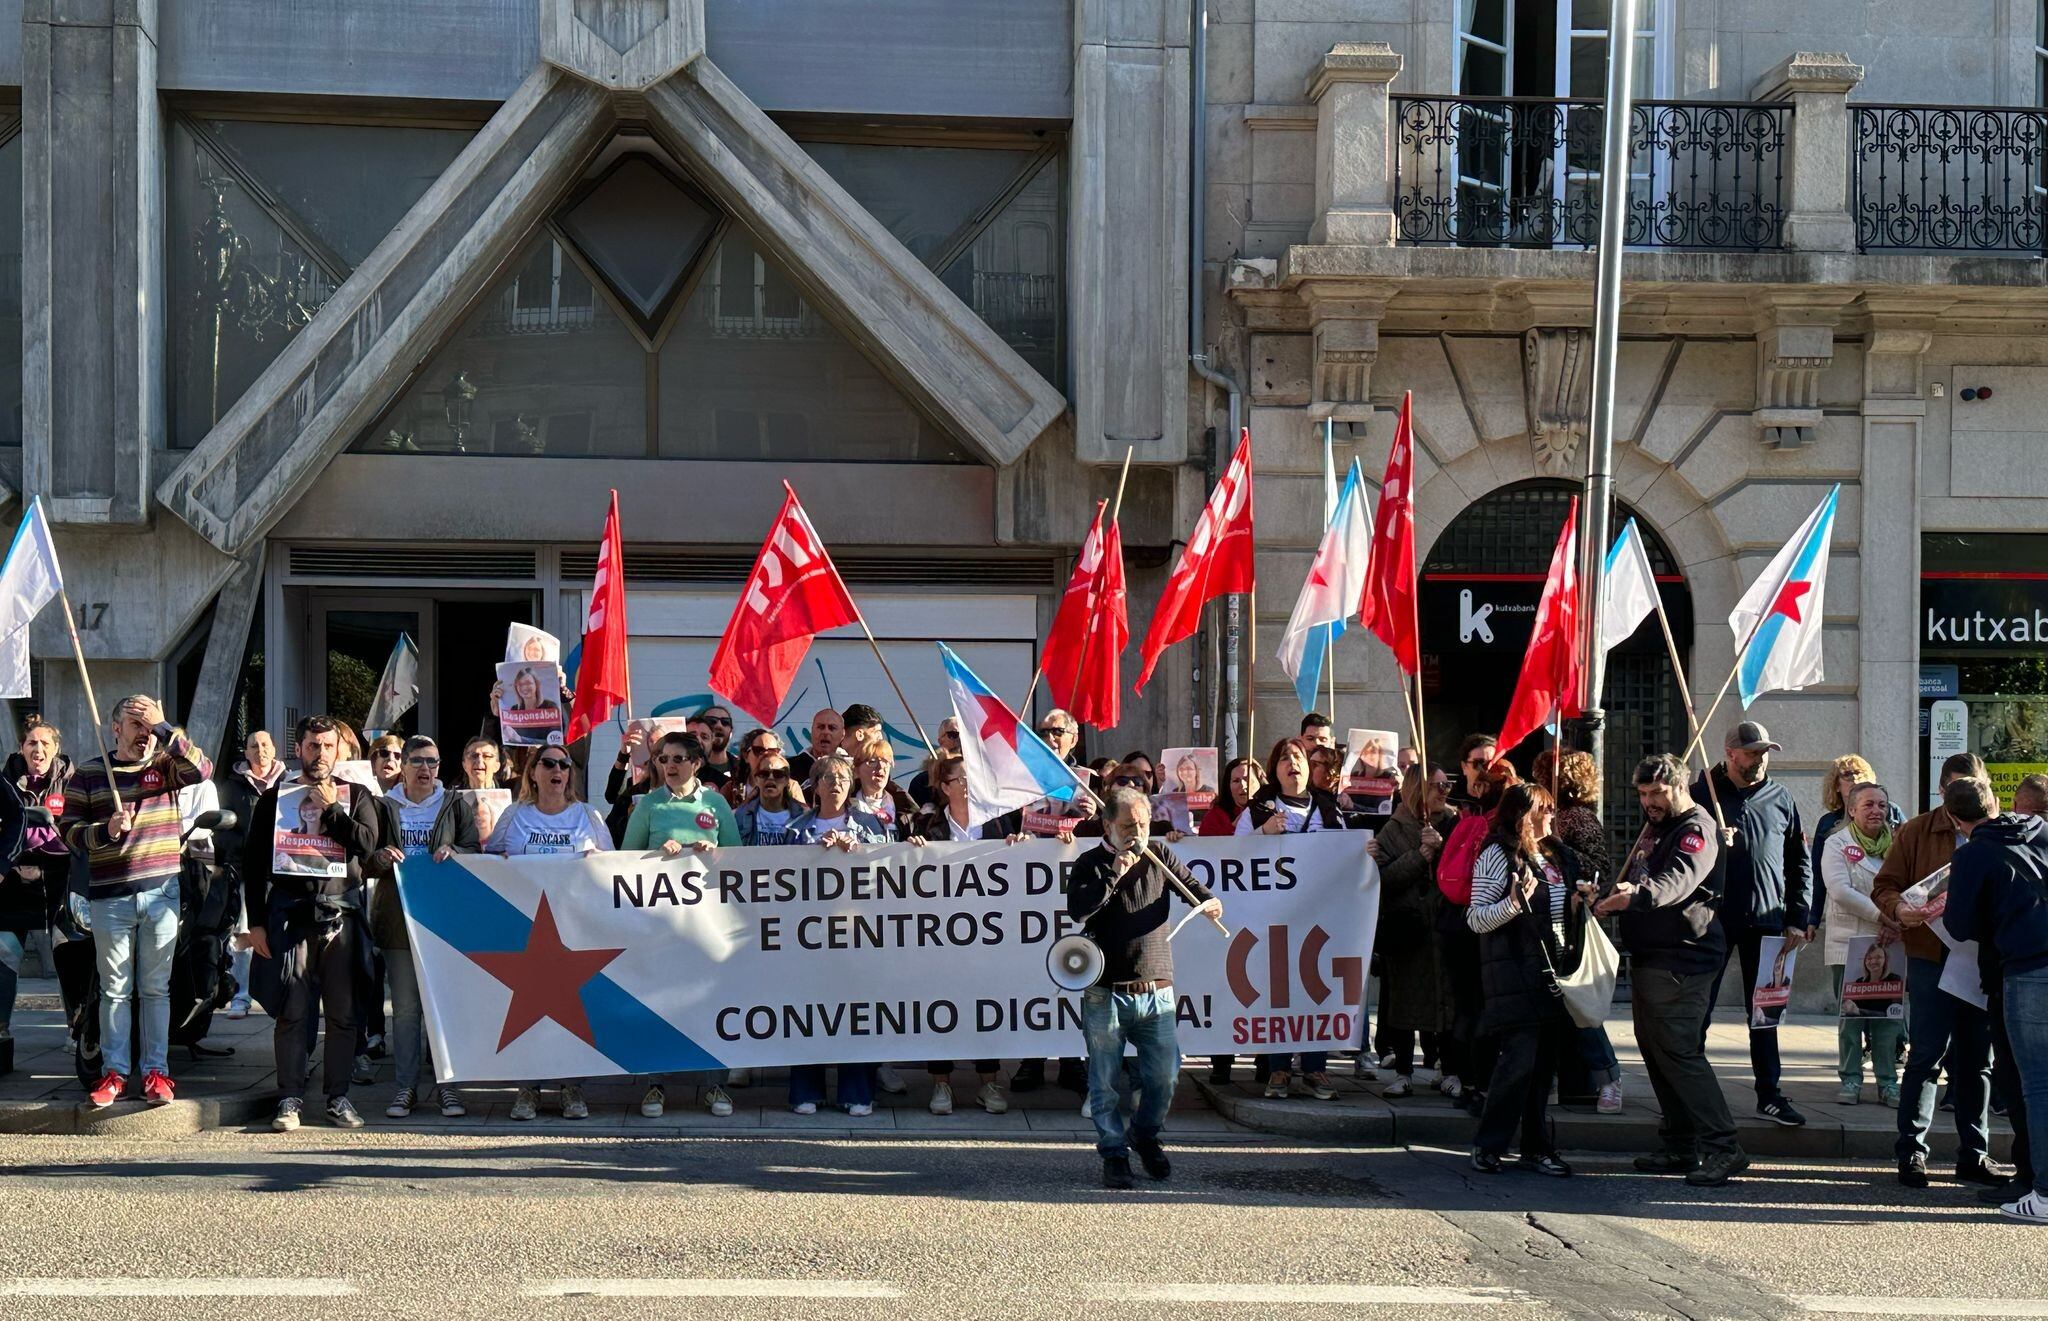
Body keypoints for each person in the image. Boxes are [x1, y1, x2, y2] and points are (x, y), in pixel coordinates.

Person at [1594, 754, 1748, 1186]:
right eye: (1643, 794)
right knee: (1658, 1054)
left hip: (1683, 961)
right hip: (1653, 958)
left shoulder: (1695, 830)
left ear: (1681, 787)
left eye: (1657, 793)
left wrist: (1635, 897)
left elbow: (1675, 882)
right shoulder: (1658, 828)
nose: (1649, 802)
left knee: (1680, 1053)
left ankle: (1723, 1147)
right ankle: (1680, 1144)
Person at [59, 694, 211, 1109]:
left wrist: (165, 727)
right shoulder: (91, 773)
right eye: (135, 725)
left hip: (162, 890)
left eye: (148, 726)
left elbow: (201, 767)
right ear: (115, 728)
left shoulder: (164, 766)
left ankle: (156, 1072)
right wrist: (105, 830)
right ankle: (114, 1072)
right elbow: (67, 830)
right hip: (110, 895)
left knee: (155, 989)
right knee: (115, 990)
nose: (143, 734)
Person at [1068, 785, 1222, 1189]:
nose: (1137, 832)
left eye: (1142, 823)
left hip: (1156, 987)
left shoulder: (1160, 856)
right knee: (1103, 1082)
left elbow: (1191, 887)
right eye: (1128, 825)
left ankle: (1145, 1134)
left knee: (1165, 1075)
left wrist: (1210, 901)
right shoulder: (1090, 863)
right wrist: (1114, 875)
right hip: (1105, 990)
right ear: (1107, 825)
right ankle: (1114, 1153)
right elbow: (1078, 909)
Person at [237, 714, 382, 1130]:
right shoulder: (275, 798)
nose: (320, 754)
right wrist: (258, 923)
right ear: (298, 749)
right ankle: (290, 1098)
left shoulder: (356, 795)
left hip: (342, 917)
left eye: (328, 746)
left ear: (340, 751)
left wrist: (331, 809)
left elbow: (367, 844)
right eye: (312, 746)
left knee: (343, 1014)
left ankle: (338, 1097)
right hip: (290, 917)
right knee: (292, 1011)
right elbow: (252, 865)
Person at [1874, 752, 2004, 1190]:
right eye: (1953, 788)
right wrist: (1899, 909)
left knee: (1977, 1061)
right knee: (1927, 1055)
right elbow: (1885, 885)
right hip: (1931, 957)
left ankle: (1976, 1154)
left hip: (1983, 961)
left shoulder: (2001, 831)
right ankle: (1911, 1151)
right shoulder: (1915, 830)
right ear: (1943, 792)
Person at [485, 737, 615, 1122]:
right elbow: (488, 864)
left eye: (563, 765)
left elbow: (613, 869)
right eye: (549, 764)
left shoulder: (588, 817)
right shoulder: (514, 816)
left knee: (573, 1012)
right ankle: (528, 1089)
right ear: (534, 772)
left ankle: (572, 1088)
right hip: (525, 931)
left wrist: (596, 863)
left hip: (576, 931)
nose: (557, 770)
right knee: (531, 1012)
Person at [1942, 774, 2048, 1223]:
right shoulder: (2042, 830)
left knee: (2038, 1087)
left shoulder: (1973, 854)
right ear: (1995, 803)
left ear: (1954, 817)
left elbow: (1959, 925)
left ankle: (2043, 1195)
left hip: (2027, 970)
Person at [1695, 721, 1811, 1128]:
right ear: (1731, 753)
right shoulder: (1702, 794)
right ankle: (1691, 1093)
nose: (1760, 759)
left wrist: (1799, 917)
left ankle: (1770, 1094)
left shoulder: (1781, 797)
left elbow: (1799, 860)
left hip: (1767, 920)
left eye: (1765, 752)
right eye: (1753, 752)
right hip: (1712, 919)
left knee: (1765, 1012)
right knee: (1700, 1009)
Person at [1466, 782, 1576, 1176]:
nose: (1551, 815)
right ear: (1521, 814)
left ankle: (1536, 1146)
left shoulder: (1552, 855)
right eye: (1543, 809)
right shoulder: (1498, 853)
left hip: (1550, 974)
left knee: (1543, 1068)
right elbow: (1476, 917)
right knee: (1517, 1063)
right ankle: (1489, 1144)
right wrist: (1513, 903)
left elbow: (1559, 916)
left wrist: (1581, 902)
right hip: (1513, 972)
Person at [370, 736, 477, 1119]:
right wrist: (381, 858)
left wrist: (456, 853)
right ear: (403, 766)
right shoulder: (383, 806)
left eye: (432, 761)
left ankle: (448, 1089)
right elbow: (364, 858)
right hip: (398, 920)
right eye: (417, 761)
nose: (425, 769)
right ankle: (405, 1089)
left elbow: (475, 849)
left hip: (442, 921)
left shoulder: (455, 804)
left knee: (442, 1009)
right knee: (405, 1010)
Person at [1236, 736, 1345, 1100]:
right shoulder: (1257, 810)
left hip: (1320, 918)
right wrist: (1262, 834)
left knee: (1316, 989)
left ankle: (1315, 1069)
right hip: (1274, 919)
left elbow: (1345, 854)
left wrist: (1365, 851)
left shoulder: (1329, 809)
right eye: (1284, 757)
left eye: (1298, 756)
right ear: (1275, 769)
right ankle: (1278, 1068)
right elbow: (1230, 857)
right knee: (1278, 992)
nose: (1292, 762)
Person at [783, 754, 890, 1116]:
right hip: (807, 939)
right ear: (816, 787)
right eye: (828, 779)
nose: (837, 784)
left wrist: (855, 854)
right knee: (808, 1012)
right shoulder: (795, 830)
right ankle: (805, 1092)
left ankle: (857, 1092)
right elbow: (778, 881)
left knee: (857, 1013)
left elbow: (888, 870)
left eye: (843, 779)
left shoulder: (871, 825)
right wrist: (814, 854)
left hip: (859, 936)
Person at [906, 752, 1009, 1115]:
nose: (968, 786)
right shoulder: (927, 828)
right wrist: (914, 852)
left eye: (972, 778)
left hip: (988, 936)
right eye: (961, 780)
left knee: (986, 1006)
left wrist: (1023, 848)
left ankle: (989, 1082)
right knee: (941, 1006)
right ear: (944, 787)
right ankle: (942, 1085)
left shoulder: (1000, 825)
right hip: (940, 938)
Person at [1368, 762, 1456, 1098]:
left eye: (1446, 784)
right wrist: (1421, 855)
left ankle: (1449, 1068)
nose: (1444, 792)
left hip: (1442, 926)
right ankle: (1403, 1069)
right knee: (1403, 1001)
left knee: (1445, 1001)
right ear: (1418, 789)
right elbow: (1384, 878)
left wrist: (1443, 846)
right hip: (1408, 928)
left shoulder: (1452, 823)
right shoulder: (1393, 828)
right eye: (1436, 785)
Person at [1543, 750, 1624, 1115]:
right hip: (1552, 922)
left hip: (1574, 922)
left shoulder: (1576, 818)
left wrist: (1561, 855)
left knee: (1580, 1005)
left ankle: (1609, 1078)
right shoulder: (1550, 818)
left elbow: (1596, 867)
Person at [1435, 758, 1517, 1112]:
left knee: (1465, 1006)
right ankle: (1481, 1083)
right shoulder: (1497, 834)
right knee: (1483, 1008)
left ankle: (1465, 1079)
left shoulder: (1464, 822)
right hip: (1480, 927)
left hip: (1454, 921)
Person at [1821, 781, 1905, 1106]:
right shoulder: (1836, 844)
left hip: (1890, 943)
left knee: (1888, 1019)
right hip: (1849, 946)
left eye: (1882, 805)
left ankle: (1888, 1083)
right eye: (1868, 805)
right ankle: (1851, 1080)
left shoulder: (1897, 844)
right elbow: (1840, 891)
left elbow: (1907, 885)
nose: (1876, 811)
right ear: (1852, 810)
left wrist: (1894, 921)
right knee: (1852, 1018)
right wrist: (1881, 916)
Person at [1, 719, 72, 1042]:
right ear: (21, 747)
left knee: (69, 956)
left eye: (45, 743)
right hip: (12, 882)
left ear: (56, 749)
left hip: (60, 881)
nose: (38, 749)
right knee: (5, 953)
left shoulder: (73, 781)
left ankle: (79, 1030)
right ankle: (1, 1029)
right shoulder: (5, 782)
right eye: (32, 743)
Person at [218, 730, 285, 1018]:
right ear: (245, 753)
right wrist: (248, 848)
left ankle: (288, 993)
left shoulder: (290, 782)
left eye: (265, 745)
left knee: (284, 933)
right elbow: (222, 831)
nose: (260, 750)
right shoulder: (232, 787)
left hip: (284, 871)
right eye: (254, 746)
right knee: (244, 936)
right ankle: (241, 997)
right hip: (247, 871)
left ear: (275, 748)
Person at [1810, 754, 1900, 921]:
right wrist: (1813, 917)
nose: (1856, 778)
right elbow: (1820, 875)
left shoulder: (1892, 813)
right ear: (1836, 784)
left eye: (1860, 773)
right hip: (1850, 920)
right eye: (1848, 774)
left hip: (1891, 916)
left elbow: (1909, 860)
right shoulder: (1829, 826)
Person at [849, 735, 918, 839]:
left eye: (886, 761)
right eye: (872, 761)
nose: (881, 767)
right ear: (857, 770)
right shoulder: (845, 806)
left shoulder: (905, 807)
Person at [733, 749, 804, 846]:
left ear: (787, 780)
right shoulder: (740, 816)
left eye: (778, 774)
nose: (771, 778)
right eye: (764, 774)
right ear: (756, 779)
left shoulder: (802, 817)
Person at [907, 717, 963, 806]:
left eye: (965, 735)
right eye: (954, 734)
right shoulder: (922, 782)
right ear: (940, 741)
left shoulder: (979, 777)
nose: (960, 739)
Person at [786, 707, 843, 787]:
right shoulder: (789, 767)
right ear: (812, 731)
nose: (825, 732)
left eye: (832, 728)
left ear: (842, 734)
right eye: (821, 727)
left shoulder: (851, 767)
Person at [695, 705, 738, 789]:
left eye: (725, 722)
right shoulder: (689, 768)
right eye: (712, 721)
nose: (719, 726)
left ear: (731, 732)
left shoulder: (741, 768)